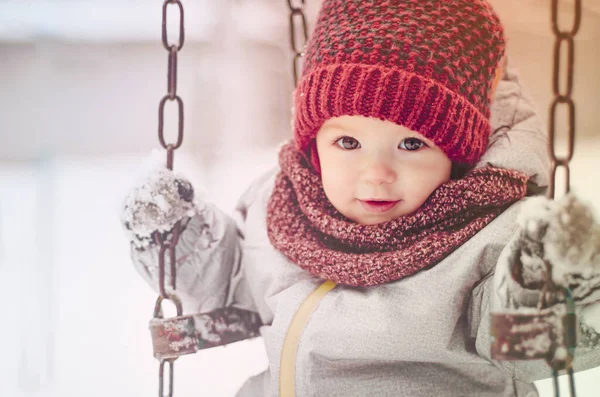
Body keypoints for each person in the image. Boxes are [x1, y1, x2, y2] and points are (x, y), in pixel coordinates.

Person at [120, 0, 600, 395]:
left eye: (412, 144)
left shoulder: (487, 241)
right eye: (347, 143)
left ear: (456, 156)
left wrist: (544, 279)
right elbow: (232, 283)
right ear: (315, 145)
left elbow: (532, 346)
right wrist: (179, 240)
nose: (376, 174)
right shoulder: (285, 210)